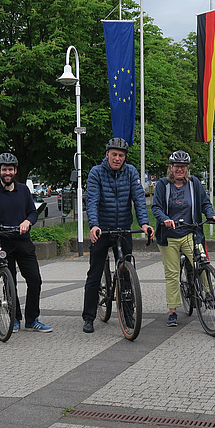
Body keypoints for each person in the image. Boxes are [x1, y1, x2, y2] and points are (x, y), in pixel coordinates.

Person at [0, 153, 51, 333]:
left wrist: (27, 222)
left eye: (10, 169)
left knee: (35, 280)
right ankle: (14, 318)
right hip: (3, 242)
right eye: (4, 169)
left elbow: (32, 212)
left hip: (23, 240)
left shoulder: (23, 190)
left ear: (15, 171)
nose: (7, 172)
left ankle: (32, 320)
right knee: (10, 281)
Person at [82, 137, 153, 333]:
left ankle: (129, 314)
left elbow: (139, 198)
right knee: (94, 275)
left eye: (121, 155)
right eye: (114, 154)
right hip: (102, 230)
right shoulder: (96, 172)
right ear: (107, 155)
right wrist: (94, 225)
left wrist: (144, 224)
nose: (117, 158)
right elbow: (93, 200)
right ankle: (88, 317)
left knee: (126, 275)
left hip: (123, 228)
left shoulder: (130, 172)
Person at [151, 150, 215, 327]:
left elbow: (205, 202)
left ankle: (209, 294)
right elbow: (156, 207)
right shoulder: (162, 185)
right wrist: (164, 219)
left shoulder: (194, 183)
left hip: (190, 233)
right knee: (172, 274)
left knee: (202, 263)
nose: (180, 169)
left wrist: (211, 215)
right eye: (177, 166)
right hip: (169, 237)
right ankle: (173, 311)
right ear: (171, 168)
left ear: (187, 168)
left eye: (183, 166)